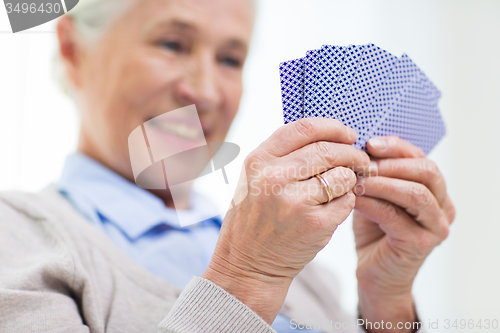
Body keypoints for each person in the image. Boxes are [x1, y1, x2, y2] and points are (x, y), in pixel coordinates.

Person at [0, 0, 455, 332]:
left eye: (230, 59)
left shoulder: (304, 270)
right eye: (172, 44)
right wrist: (246, 277)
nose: (207, 92)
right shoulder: (17, 236)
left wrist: (387, 303)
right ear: (72, 48)